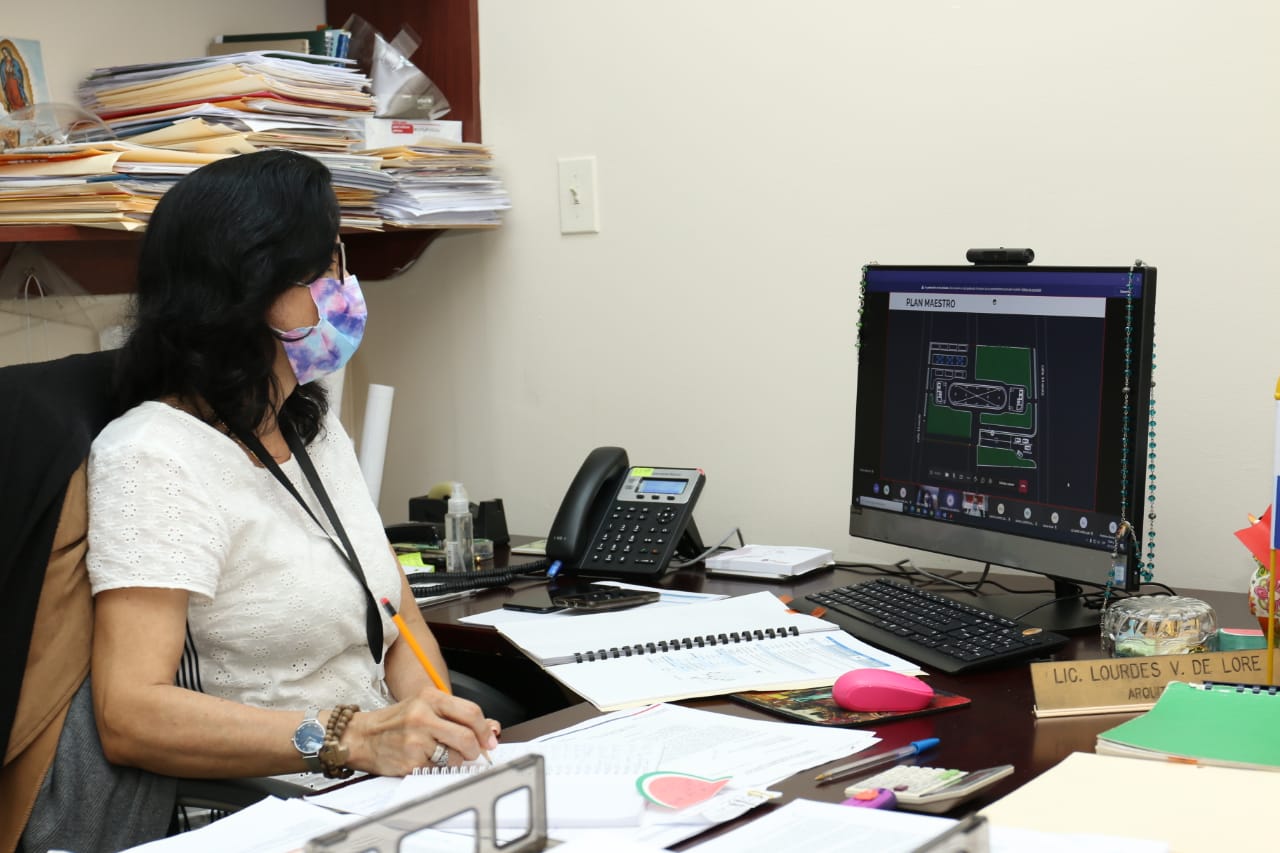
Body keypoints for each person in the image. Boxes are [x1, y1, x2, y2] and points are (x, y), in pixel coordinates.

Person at [85, 150, 500, 790]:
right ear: (252, 287)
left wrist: (434, 732)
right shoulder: (151, 456)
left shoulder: (311, 426)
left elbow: (399, 621)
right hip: (259, 801)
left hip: (377, 788)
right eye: (326, 265)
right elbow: (130, 716)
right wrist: (352, 738)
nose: (344, 285)